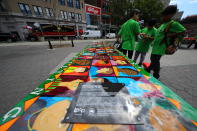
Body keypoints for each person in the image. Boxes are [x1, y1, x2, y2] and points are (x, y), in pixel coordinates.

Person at [146, 5, 186, 79]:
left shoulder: (173, 23)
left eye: (165, 16)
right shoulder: (163, 24)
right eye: (163, 15)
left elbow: (184, 31)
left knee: (155, 61)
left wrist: (171, 34)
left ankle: (153, 73)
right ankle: (152, 72)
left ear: (171, 15)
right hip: (155, 47)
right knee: (154, 60)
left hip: (161, 47)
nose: (163, 17)